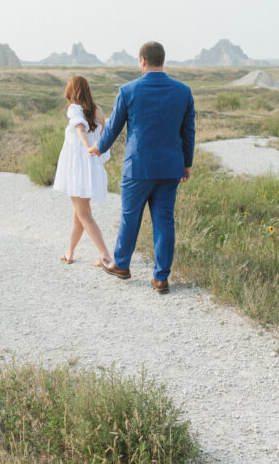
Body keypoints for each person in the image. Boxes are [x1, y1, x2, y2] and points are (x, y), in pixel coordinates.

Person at [89, 41, 194, 294]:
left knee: (130, 216)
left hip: (138, 168)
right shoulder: (183, 91)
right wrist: (186, 164)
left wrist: (99, 148)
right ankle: (161, 279)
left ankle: (122, 265)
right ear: (163, 60)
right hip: (170, 168)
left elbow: (113, 127)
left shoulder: (128, 90)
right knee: (164, 220)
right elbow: (188, 131)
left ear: (142, 61)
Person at [53, 75, 114, 268]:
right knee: (79, 212)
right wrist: (97, 158)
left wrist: (88, 147)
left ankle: (106, 256)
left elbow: (80, 129)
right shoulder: (97, 110)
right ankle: (70, 252)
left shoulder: (74, 109)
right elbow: (104, 137)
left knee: (83, 213)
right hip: (90, 166)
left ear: (72, 91)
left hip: (78, 167)